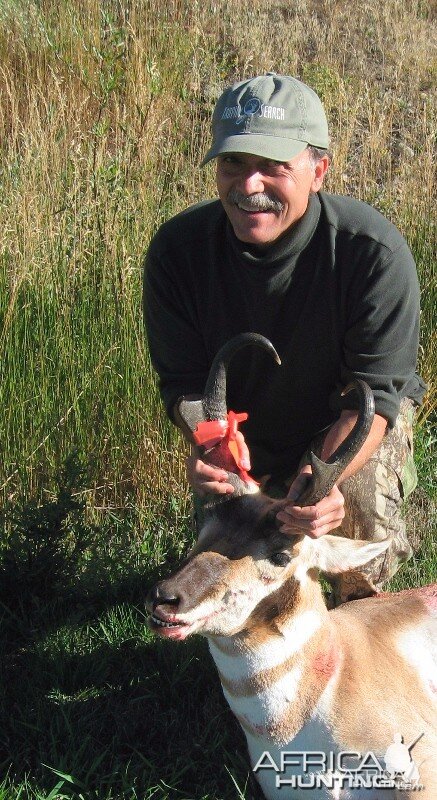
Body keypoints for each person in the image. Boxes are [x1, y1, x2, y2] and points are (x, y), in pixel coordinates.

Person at [144, 73, 426, 604]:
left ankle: (355, 620)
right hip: (244, 434)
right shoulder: (178, 252)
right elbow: (183, 382)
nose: (249, 186)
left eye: (273, 167)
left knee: (344, 517)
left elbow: (377, 396)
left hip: (343, 424)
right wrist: (211, 443)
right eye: (233, 164)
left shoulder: (372, 254)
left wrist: (322, 483)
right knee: (237, 565)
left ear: (318, 171)